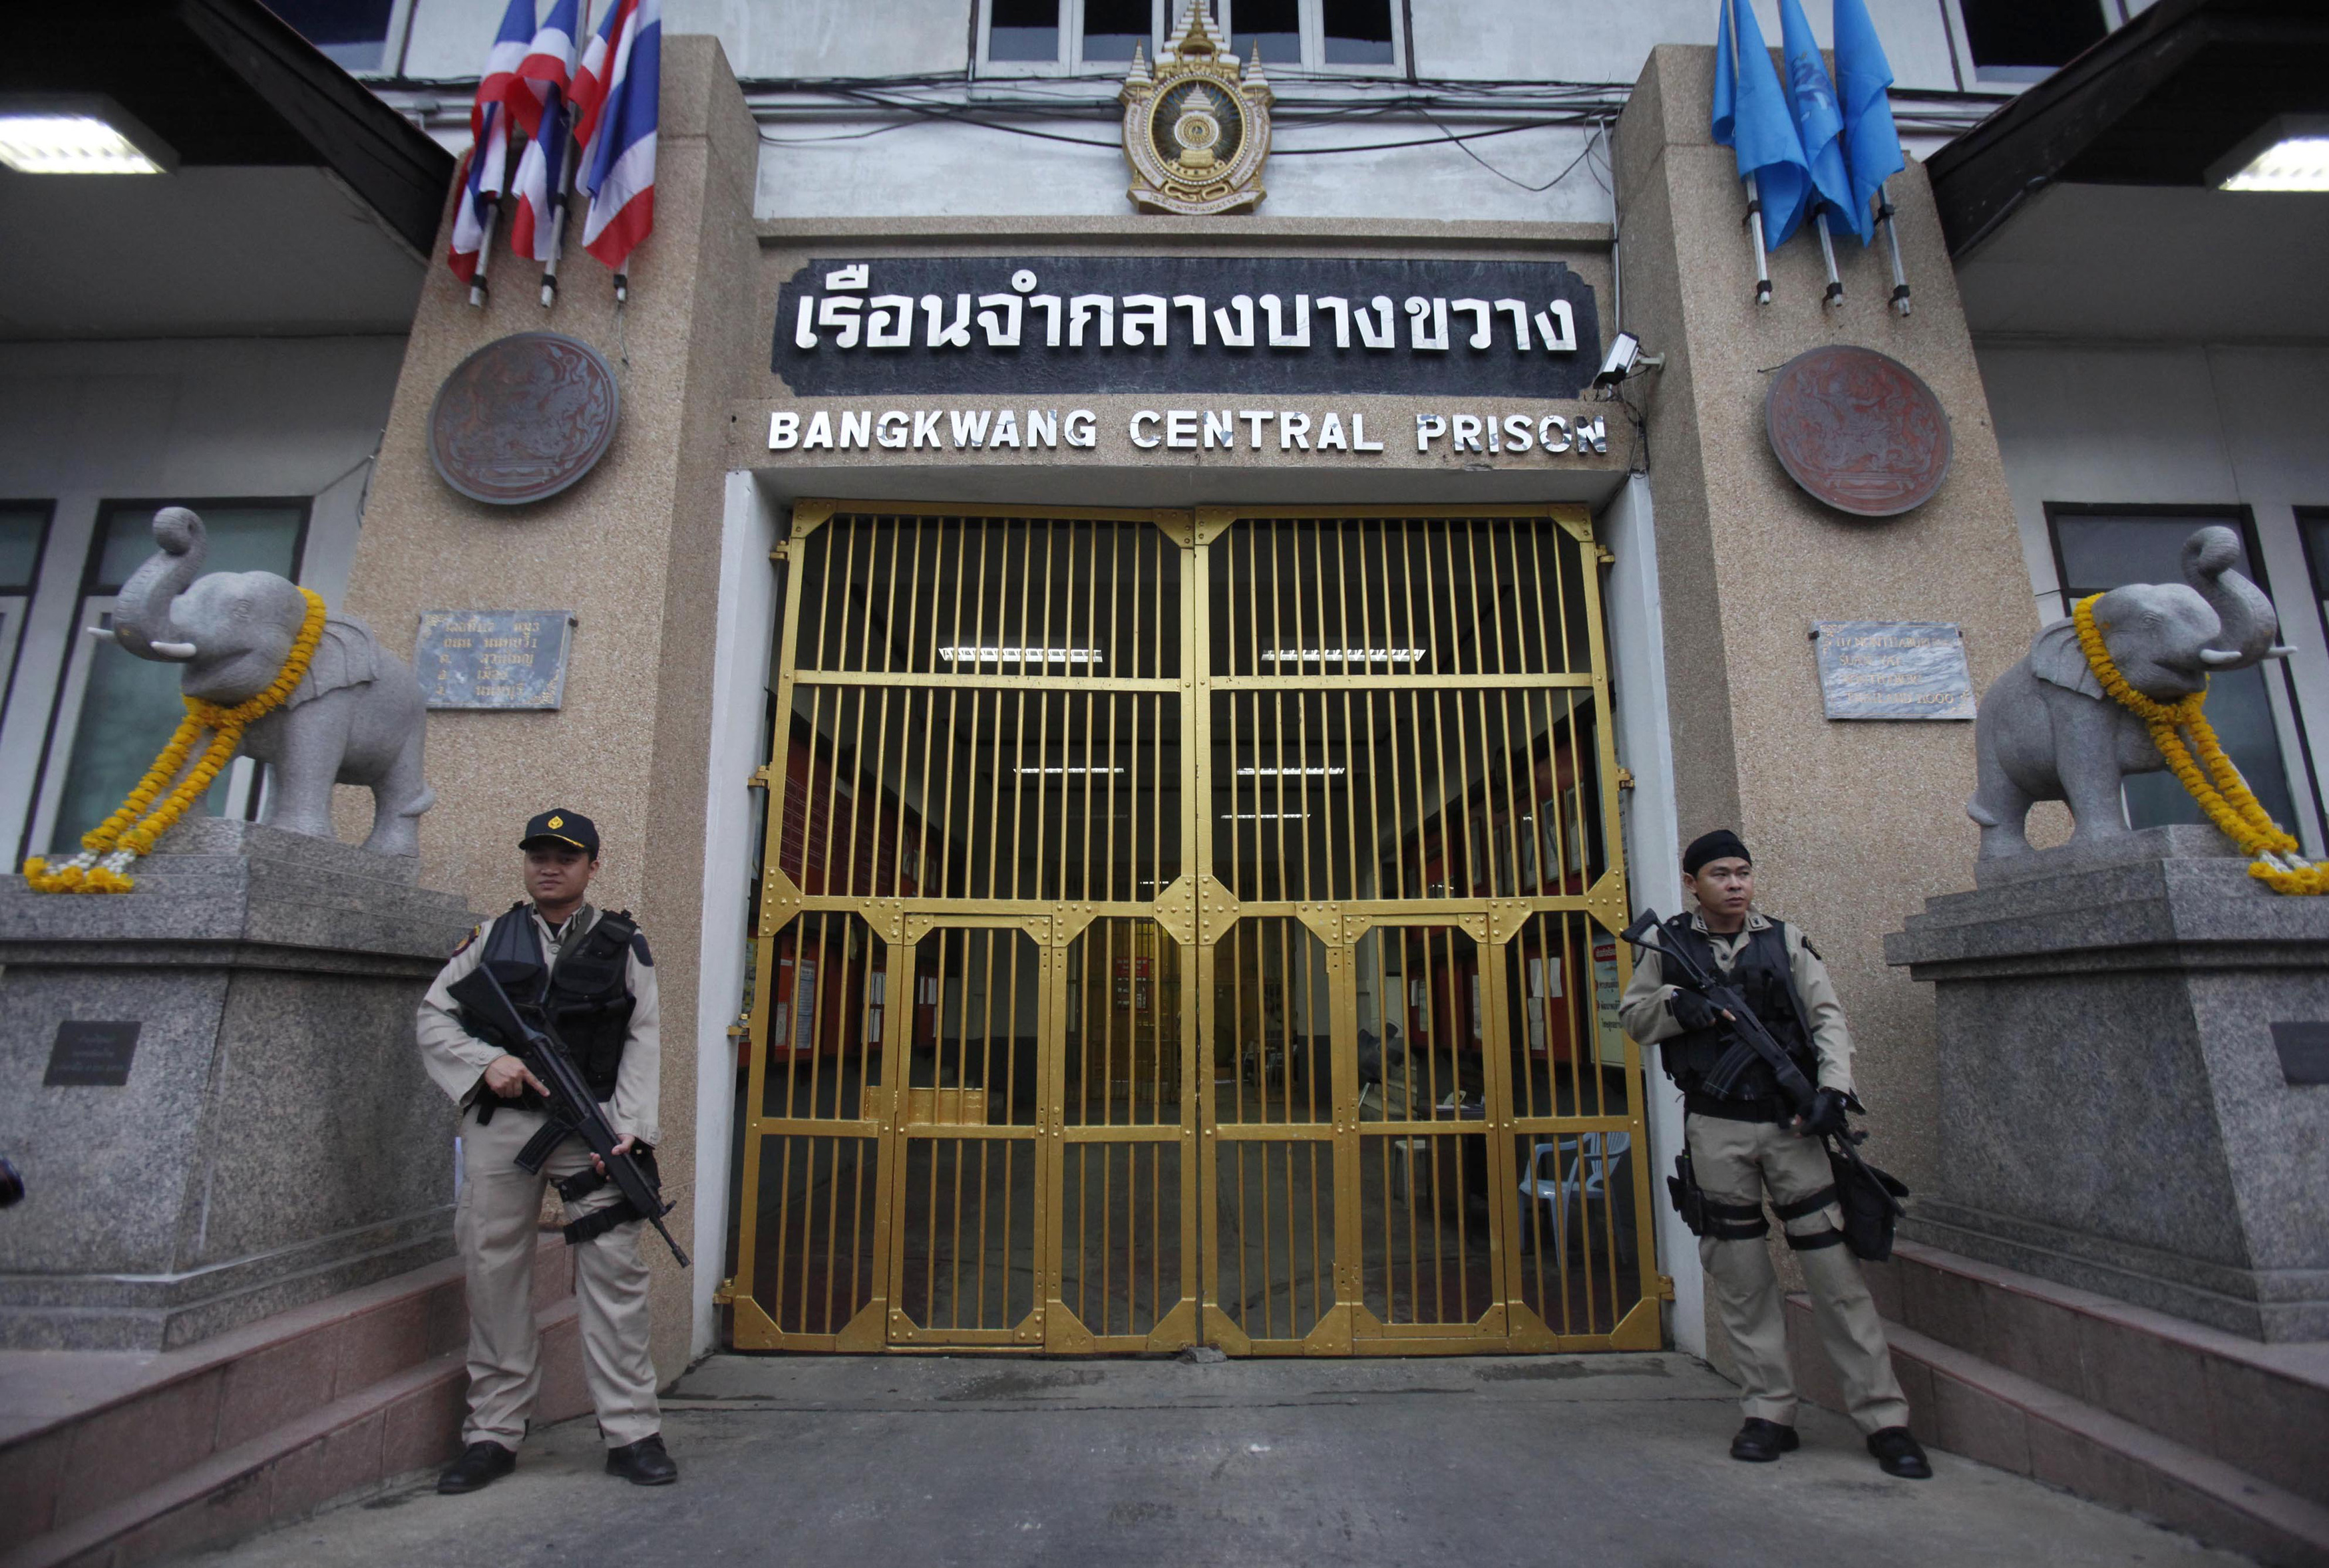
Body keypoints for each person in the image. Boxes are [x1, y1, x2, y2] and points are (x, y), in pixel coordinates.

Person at [1620, 828, 1931, 1480]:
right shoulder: (1668, 945)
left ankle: (1884, 1419)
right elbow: (1635, 1017)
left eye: (1742, 871)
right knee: (1740, 1275)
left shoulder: (1784, 940)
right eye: (1720, 873)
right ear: (1692, 883)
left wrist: (1832, 1092)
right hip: (1716, 1126)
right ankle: (1768, 1411)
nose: (1735, 883)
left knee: (1834, 1274)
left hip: (1791, 1126)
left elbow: (1827, 1019)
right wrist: (1681, 1005)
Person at [417, 809, 677, 1492]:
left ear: (593, 865)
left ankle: (632, 1430)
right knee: (492, 1267)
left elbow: (644, 1035)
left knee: (616, 1271)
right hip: (504, 1124)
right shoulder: (491, 937)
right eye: (539, 855)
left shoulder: (622, 941)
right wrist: (485, 1062)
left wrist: (633, 1128)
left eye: (566, 857)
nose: (550, 867)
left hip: (592, 1125)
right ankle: (493, 1431)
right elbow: (434, 1016)